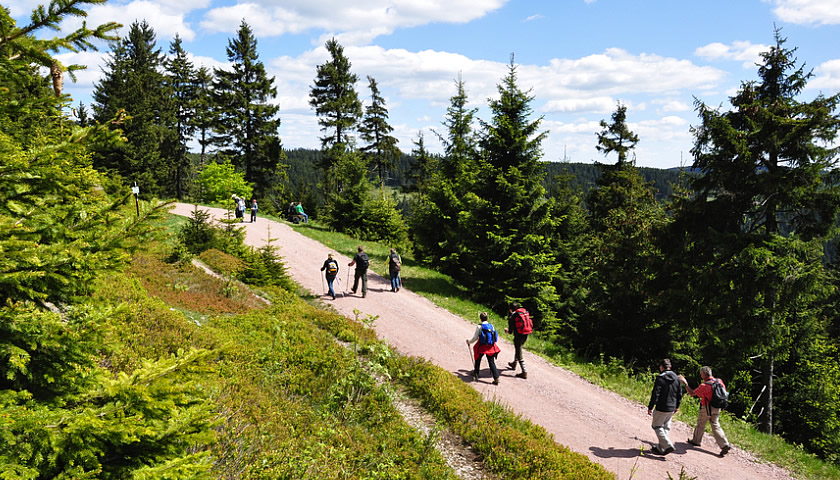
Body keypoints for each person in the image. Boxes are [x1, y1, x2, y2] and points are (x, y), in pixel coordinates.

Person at [680, 366, 732, 457]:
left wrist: (685, 384)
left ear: (704, 374)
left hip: (707, 408)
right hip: (718, 407)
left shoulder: (705, 385)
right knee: (715, 424)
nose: (700, 375)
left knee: (701, 423)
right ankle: (724, 444)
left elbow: (692, 393)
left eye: (701, 374)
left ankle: (696, 441)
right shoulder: (719, 381)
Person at [647, 358, 683, 455]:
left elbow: (655, 394)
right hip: (672, 407)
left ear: (661, 367)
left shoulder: (660, 378)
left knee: (657, 426)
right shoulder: (677, 378)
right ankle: (660, 447)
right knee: (666, 427)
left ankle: (667, 445)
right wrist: (677, 406)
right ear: (670, 367)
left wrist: (650, 407)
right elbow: (680, 393)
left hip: (661, 407)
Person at [466, 312, 501, 385]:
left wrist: (469, 342)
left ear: (480, 319)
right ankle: (496, 377)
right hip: (490, 346)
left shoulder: (479, 327)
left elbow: (475, 338)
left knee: (478, 358)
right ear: (487, 318)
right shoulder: (491, 326)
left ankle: (476, 373)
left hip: (482, 346)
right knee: (491, 362)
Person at [504, 302, 533, 379]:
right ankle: (514, 364)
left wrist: (506, 330)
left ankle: (524, 372)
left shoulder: (512, 317)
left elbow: (510, 332)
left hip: (518, 336)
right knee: (518, 349)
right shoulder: (523, 314)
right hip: (525, 334)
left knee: (519, 352)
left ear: (510, 309)